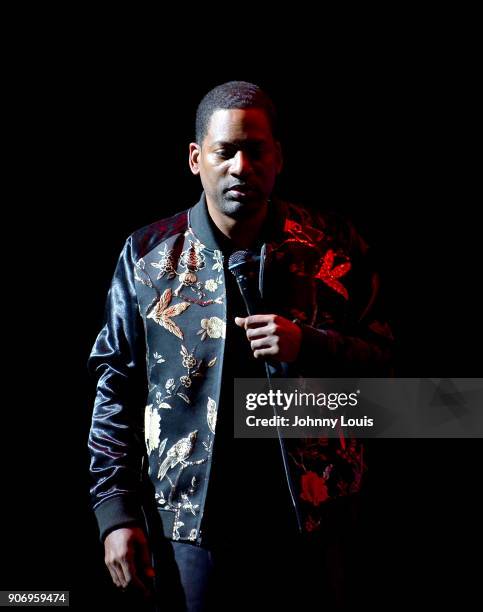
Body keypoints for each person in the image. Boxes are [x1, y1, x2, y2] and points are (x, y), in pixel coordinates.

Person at [88, 81, 392, 610]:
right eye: (225, 151)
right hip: (191, 528)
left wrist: (312, 346)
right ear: (196, 158)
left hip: (317, 523)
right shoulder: (148, 257)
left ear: (278, 157)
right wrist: (115, 511)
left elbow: (398, 383)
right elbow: (115, 386)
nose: (240, 167)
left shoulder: (333, 248)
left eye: (256, 150)